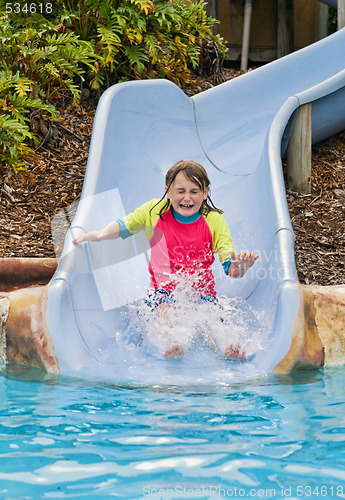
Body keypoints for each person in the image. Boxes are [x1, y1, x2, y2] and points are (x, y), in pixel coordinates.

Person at [73, 160, 258, 359]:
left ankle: (230, 347)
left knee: (214, 317)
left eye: (194, 191)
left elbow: (230, 268)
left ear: (205, 193)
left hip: (201, 294)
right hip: (164, 291)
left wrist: (240, 267)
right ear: (168, 191)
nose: (187, 198)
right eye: (181, 191)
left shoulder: (213, 220)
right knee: (163, 308)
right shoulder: (155, 210)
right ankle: (172, 342)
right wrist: (101, 234)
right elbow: (125, 225)